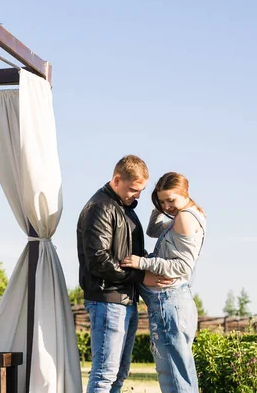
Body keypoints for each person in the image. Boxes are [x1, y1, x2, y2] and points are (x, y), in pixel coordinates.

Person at [77, 155, 173, 393]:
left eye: (140, 191)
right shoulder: (100, 207)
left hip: (125, 299)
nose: (137, 196)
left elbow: (132, 254)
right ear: (117, 179)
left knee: (119, 375)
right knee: (104, 375)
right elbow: (98, 262)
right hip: (107, 299)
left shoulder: (124, 208)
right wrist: (141, 277)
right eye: (133, 189)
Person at [121, 172, 206, 393]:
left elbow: (182, 267)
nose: (167, 206)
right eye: (162, 201)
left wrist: (143, 263)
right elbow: (152, 230)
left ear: (185, 193)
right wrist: (160, 207)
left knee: (175, 379)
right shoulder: (184, 214)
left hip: (169, 302)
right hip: (174, 302)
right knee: (179, 374)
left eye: (171, 200)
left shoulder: (185, 218)